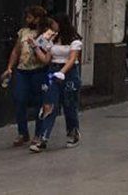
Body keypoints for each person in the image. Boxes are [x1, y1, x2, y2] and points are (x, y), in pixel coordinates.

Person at [1, 5, 49, 148]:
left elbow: (46, 53)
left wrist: (37, 46)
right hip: (23, 70)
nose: (27, 20)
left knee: (40, 102)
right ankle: (23, 132)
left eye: (30, 17)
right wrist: (10, 67)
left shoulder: (45, 34)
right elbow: (16, 51)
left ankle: (39, 133)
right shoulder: (23, 32)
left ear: (37, 18)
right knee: (19, 99)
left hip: (38, 71)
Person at [33, 13, 83, 151]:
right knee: (49, 104)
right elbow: (46, 59)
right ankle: (43, 137)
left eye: (54, 23)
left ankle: (73, 133)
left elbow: (72, 58)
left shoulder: (74, 40)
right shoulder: (52, 39)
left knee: (69, 104)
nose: (52, 26)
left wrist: (63, 72)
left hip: (69, 73)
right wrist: (36, 47)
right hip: (53, 70)